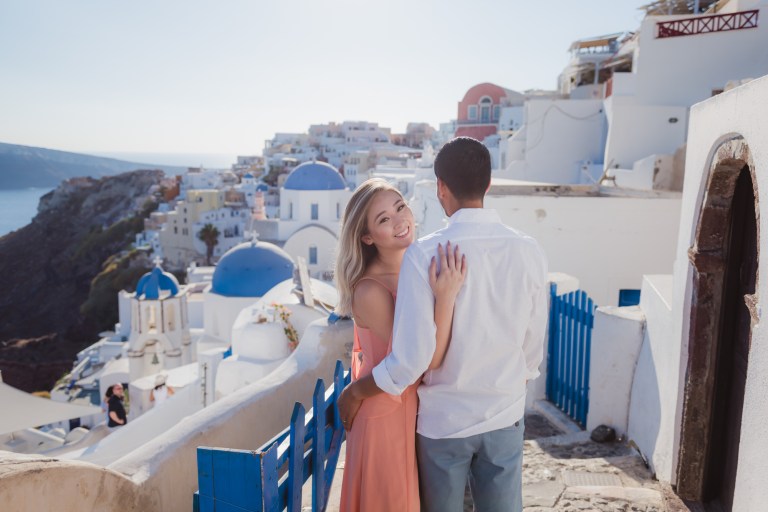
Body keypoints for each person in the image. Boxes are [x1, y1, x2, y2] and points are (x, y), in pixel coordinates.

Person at [338, 137, 549, 512]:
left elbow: (413, 358)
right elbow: (534, 340)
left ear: (440, 188)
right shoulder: (529, 250)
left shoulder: (425, 253)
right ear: (488, 184)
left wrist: (355, 392)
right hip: (504, 409)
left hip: (442, 420)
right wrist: (519, 377)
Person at [335, 178, 467, 512]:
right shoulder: (371, 291)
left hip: (415, 415)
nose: (399, 220)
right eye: (383, 219)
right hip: (386, 417)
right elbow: (423, 361)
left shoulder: (422, 266)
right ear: (367, 238)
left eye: (399, 207)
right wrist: (446, 298)